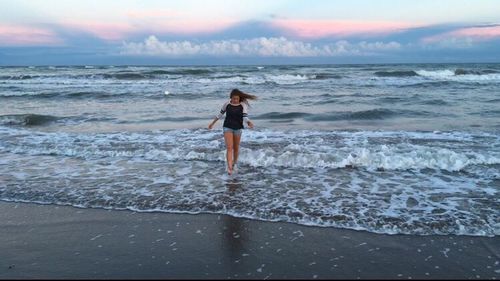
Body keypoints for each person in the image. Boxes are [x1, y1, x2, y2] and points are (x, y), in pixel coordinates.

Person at [208, 89, 257, 175]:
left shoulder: (243, 105)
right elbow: (220, 114)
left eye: (237, 99)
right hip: (227, 127)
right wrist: (212, 123)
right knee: (229, 148)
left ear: (239, 98)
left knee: (236, 148)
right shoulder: (227, 104)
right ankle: (229, 167)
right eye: (233, 98)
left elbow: (244, 117)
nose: (235, 100)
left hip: (238, 128)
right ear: (231, 98)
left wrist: (249, 122)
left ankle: (234, 163)